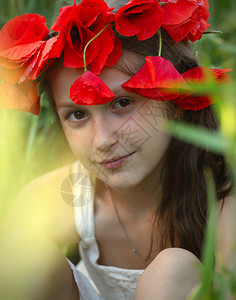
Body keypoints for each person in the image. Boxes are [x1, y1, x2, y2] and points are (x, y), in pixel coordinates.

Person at [0, 0, 235, 299]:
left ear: (175, 100)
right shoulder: (66, 197)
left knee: (171, 272)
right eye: (78, 115)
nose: (102, 140)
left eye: (123, 103)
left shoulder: (221, 210)